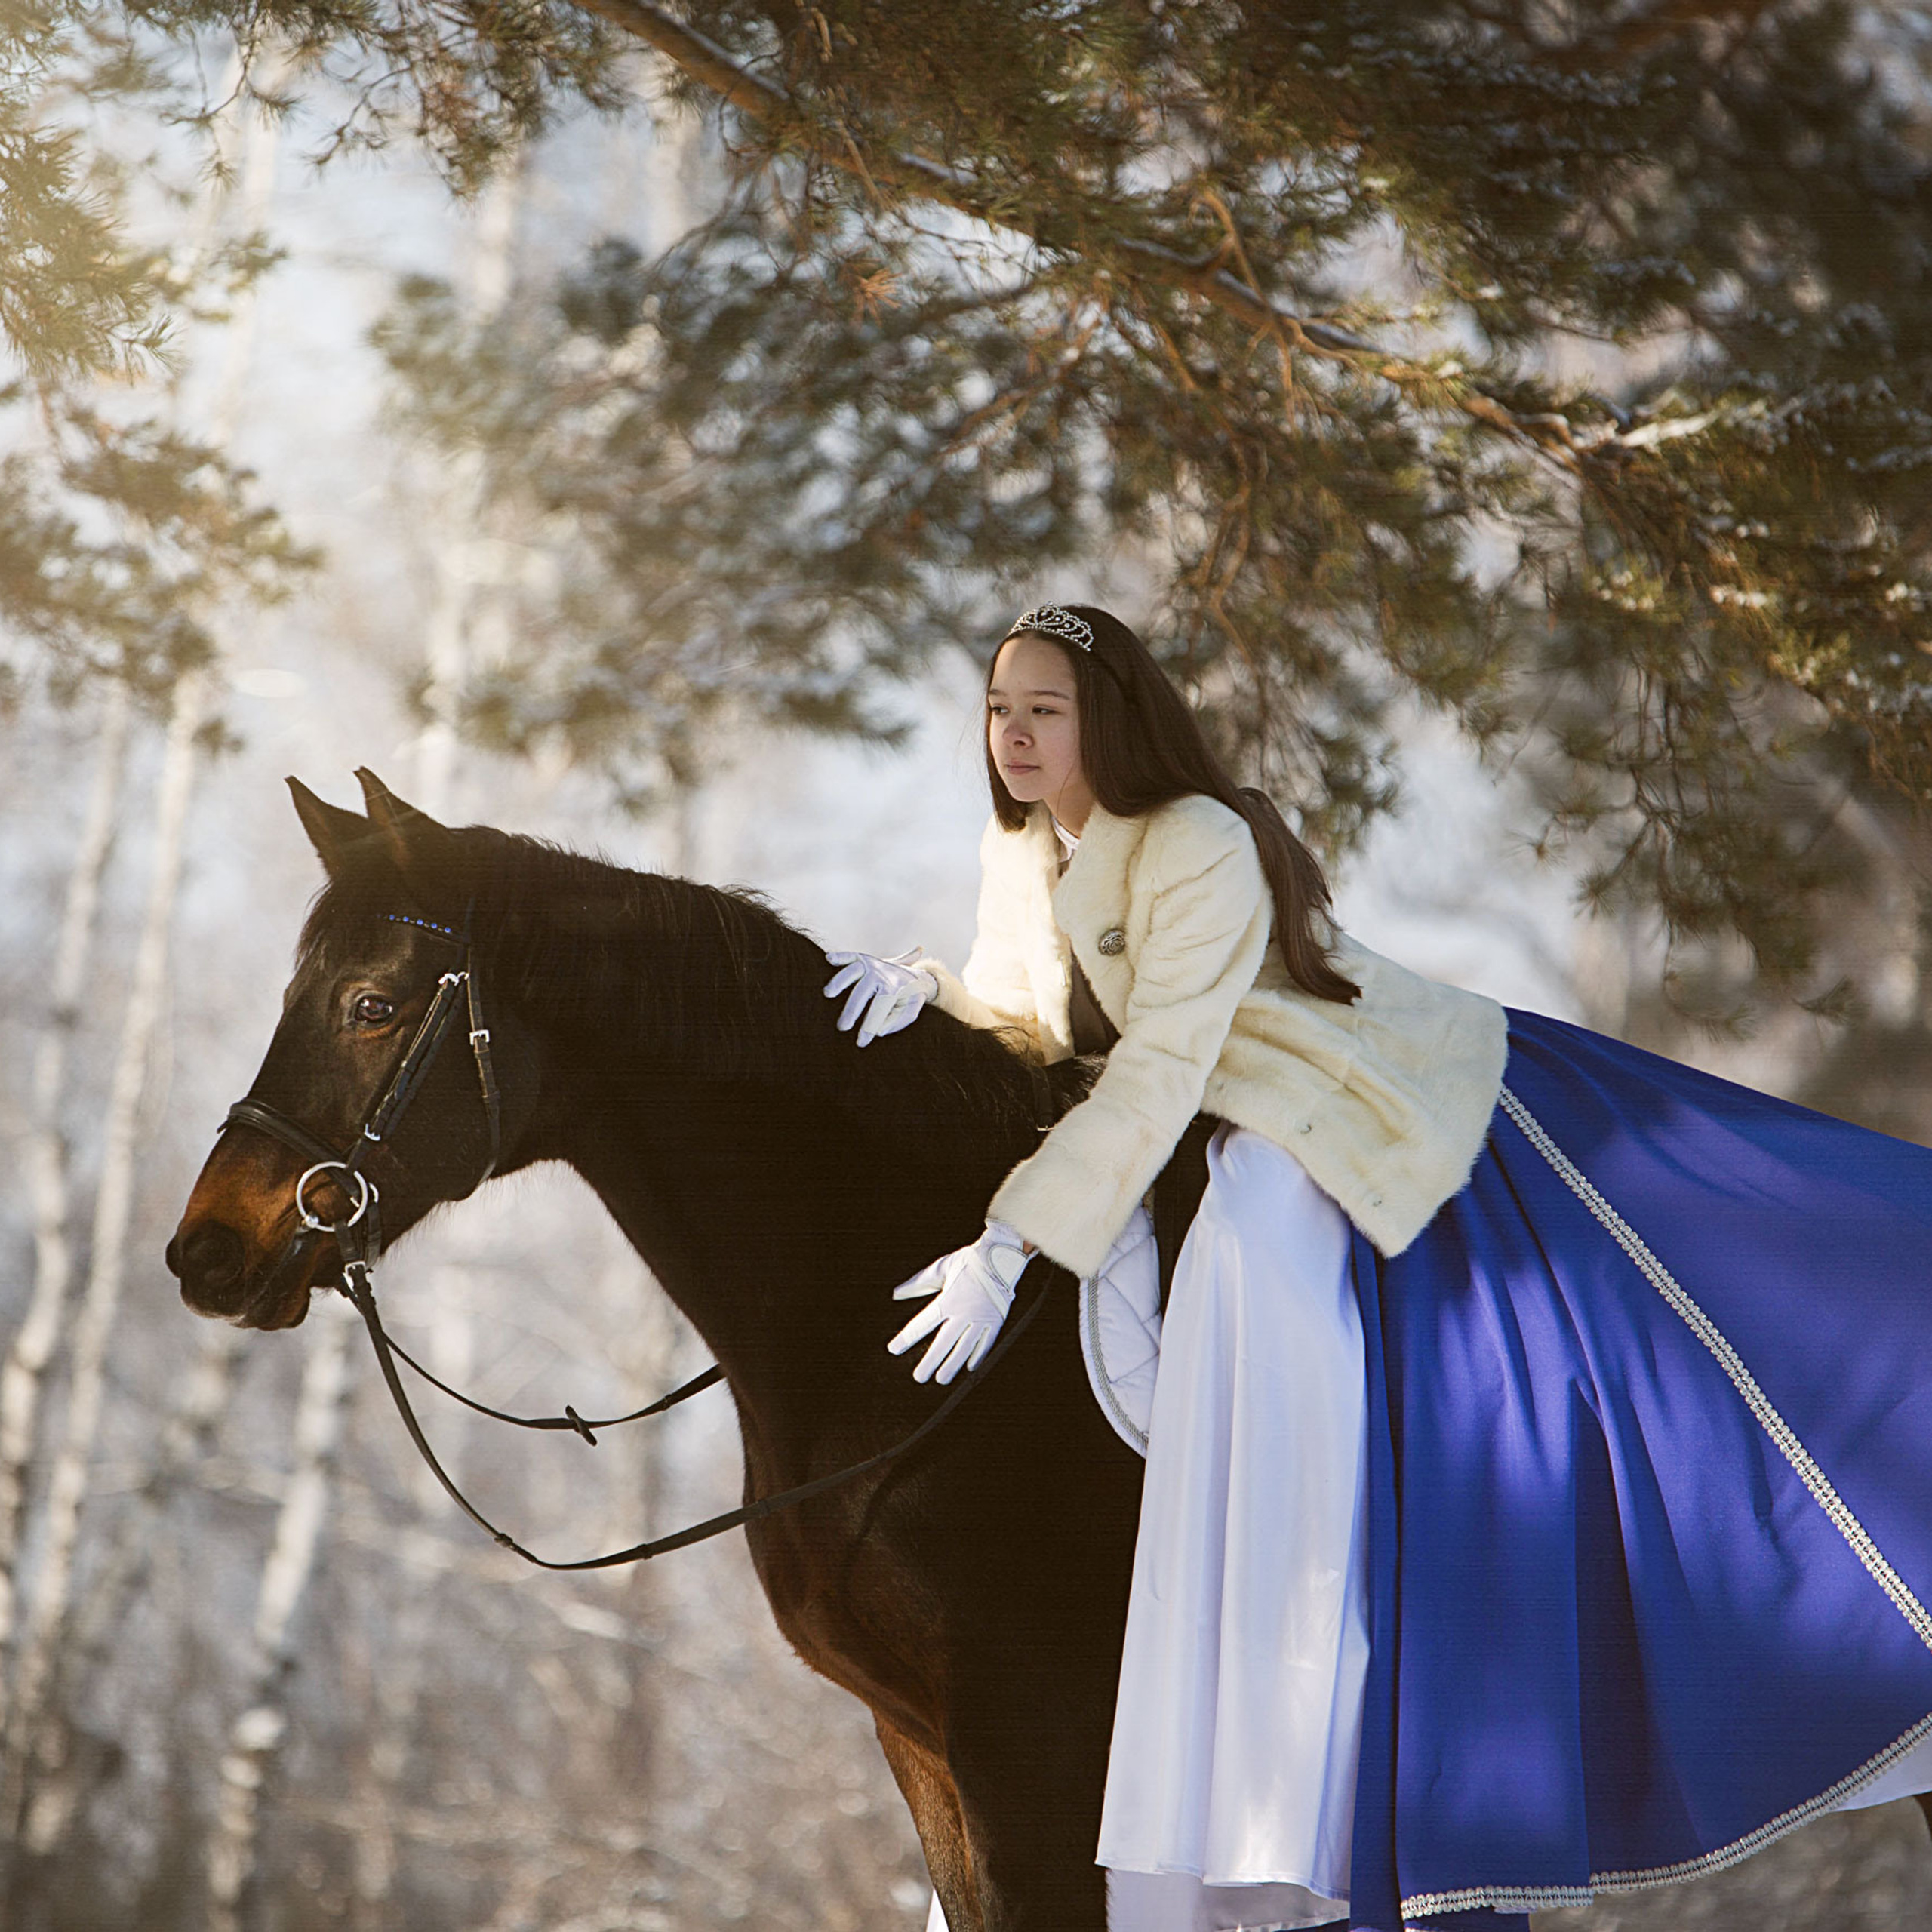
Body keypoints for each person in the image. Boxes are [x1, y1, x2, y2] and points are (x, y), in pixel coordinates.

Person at [822, 604, 1932, 1932]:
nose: (1013, 731)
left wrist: (1013, 1243)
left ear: (1104, 717)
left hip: (1313, 1095)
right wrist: (931, 993)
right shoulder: (1023, 845)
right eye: (1001, 705)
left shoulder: (1200, 839)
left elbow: (1165, 1065)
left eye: (1044, 708)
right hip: (1195, 1096)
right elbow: (1033, 1010)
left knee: (1252, 1240)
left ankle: (1315, 1644)